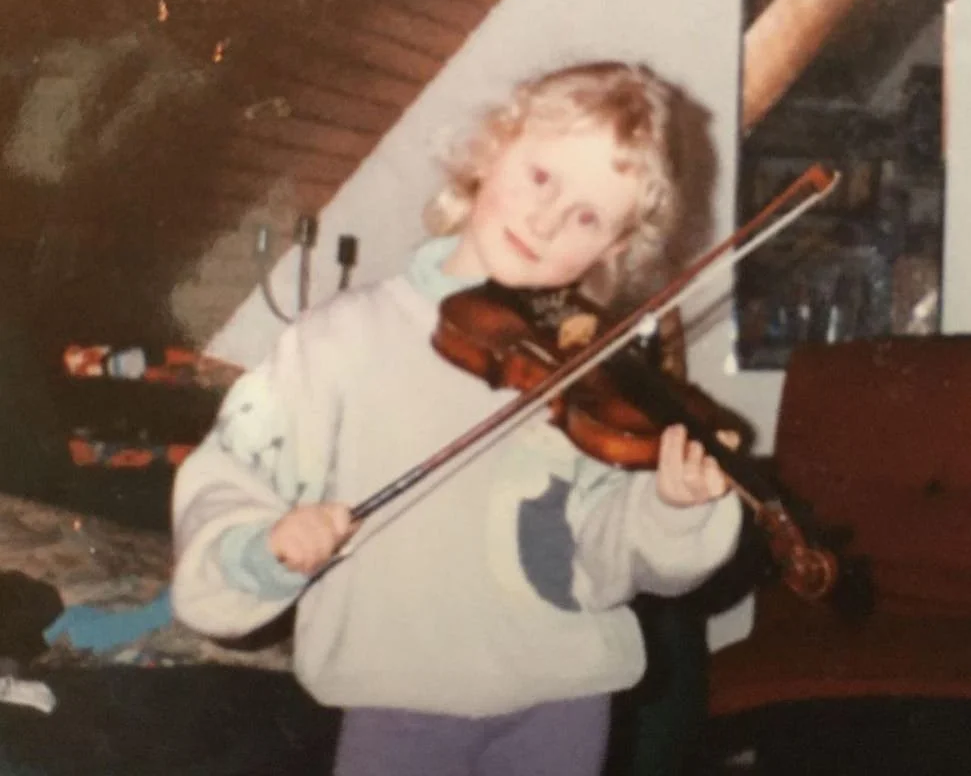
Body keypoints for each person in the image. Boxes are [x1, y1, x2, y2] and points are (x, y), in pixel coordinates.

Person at [170, 60, 743, 776]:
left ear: (614, 249)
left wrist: (672, 508)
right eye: (541, 177)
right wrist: (267, 547)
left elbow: (605, 550)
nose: (546, 221)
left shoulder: (589, 373)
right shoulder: (340, 339)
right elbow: (232, 471)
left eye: (588, 217)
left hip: (565, 697)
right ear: (492, 149)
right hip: (400, 697)